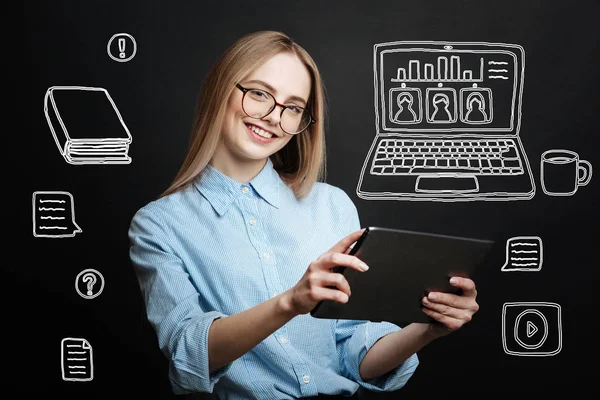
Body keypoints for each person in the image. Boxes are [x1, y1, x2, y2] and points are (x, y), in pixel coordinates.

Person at [128, 30, 480, 399]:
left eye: (293, 107)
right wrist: (291, 302)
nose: (273, 117)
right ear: (220, 90)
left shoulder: (332, 206)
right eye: (260, 94)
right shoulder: (159, 225)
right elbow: (189, 351)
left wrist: (427, 330)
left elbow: (351, 353)